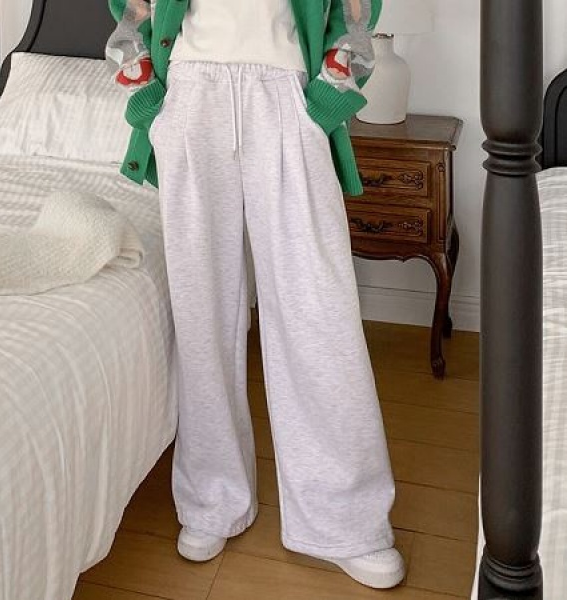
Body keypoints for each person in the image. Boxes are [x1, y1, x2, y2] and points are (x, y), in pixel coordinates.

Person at [106, 0, 406, 589]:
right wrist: (152, 105)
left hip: (287, 92)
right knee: (202, 314)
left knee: (318, 311)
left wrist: (323, 103)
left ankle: (345, 518)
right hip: (192, 94)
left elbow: (356, 10)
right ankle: (212, 498)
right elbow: (130, 9)